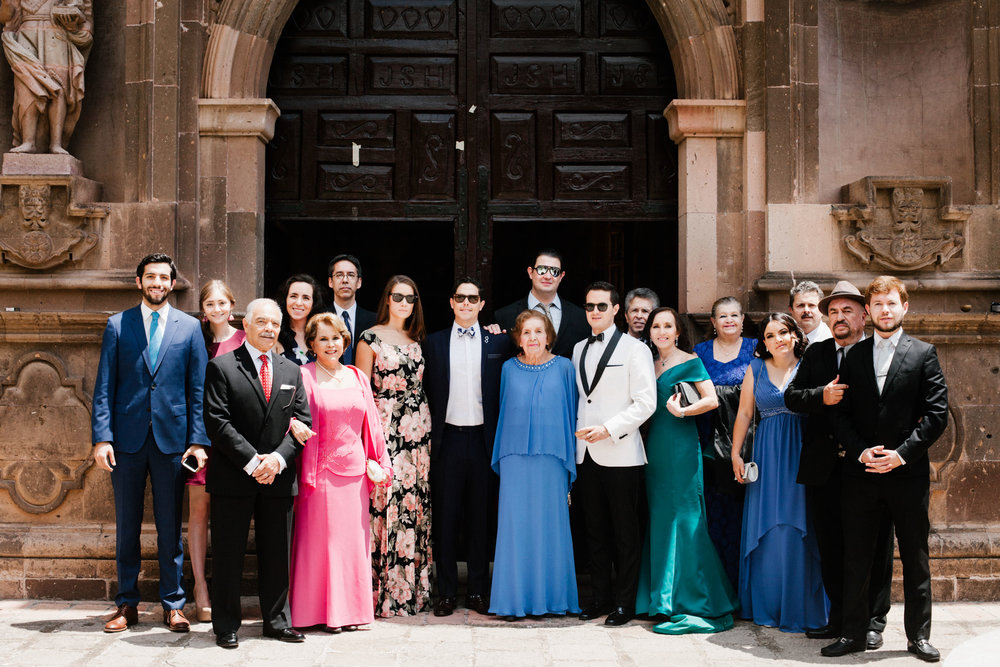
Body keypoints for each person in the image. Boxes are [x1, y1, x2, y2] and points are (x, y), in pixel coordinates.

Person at [823, 276, 948, 662]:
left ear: (904, 307)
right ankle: (853, 634)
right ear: (869, 312)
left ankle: (918, 637)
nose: (885, 311)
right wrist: (860, 452)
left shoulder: (924, 353)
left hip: (906, 475)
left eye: (891, 304)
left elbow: (936, 415)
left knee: (915, 556)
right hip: (861, 476)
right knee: (857, 555)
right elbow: (840, 415)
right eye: (877, 305)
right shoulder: (854, 356)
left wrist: (901, 454)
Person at [91, 253, 208, 634]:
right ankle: (126, 604)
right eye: (150, 277)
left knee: (170, 527)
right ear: (139, 282)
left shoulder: (190, 328)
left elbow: (197, 390)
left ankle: (173, 604)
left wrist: (197, 441)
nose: (157, 283)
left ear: (173, 283)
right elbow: (104, 386)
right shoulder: (117, 325)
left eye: (163, 277)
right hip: (125, 441)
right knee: (126, 525)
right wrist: (102, 438)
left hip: (172, 442)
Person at [784, 281, 894, 649]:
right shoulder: (816, 354)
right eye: (833, 311)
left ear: (864, 315)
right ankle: (840, 618)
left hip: (866, 467)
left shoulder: (878, 353)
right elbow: (793, 397)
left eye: (847, 310)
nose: (839, 317)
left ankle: (874, 621)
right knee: (831, 545)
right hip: (824, 468)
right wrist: (822, 395)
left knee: (874, 547)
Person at [203, 298, 311, 649]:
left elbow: (302, 424)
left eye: (274, 324)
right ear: (245, 324)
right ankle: (226, 625)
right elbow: (217, 423)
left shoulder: (292, 371)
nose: (268, 329)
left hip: (278, 477)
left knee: (277, 554)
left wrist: (277, 461)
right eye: (261, 321)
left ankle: (277, 622)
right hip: (234, 476)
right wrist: (254, 462)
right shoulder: (221, 367)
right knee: (228, 554)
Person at [635, 307, 738, 634]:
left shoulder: (690, 360)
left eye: (667, 326)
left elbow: (711, 401)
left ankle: (697, 600)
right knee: (661, 518)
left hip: (681, 446)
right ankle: (661, 599)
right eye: (656, 326)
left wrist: (683, 411)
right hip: (655, 450)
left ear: (678, 331)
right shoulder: (647, 364)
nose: (661, 331)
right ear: (649, 332)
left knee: (686, 519)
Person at [289, 313, 392, 632]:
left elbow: (371, 425)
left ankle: (349, 612)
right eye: (323, 339)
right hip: (317, 475)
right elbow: (288, 416)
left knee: (351, 544)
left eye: (335, 338)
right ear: (312, 344)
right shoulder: (303, 375)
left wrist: (378, 461)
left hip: (354, 474)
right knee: (319, 544)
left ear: (344, 340)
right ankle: (315, 613)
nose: (330, 344)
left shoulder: (357, 377)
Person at [730, 312, 827, 633]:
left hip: (803, 453)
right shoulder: (755, 368)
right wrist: (735, 454)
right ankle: (767, 603)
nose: (778, 340)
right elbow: (744, 413)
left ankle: (804, 605)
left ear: (795, 335)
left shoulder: (809, 364)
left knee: (802, 527)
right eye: (770, 336)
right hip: (768, 456)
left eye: (783, 332)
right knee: (770, 528)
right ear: (764, 343)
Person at [423, 277, 511, 617]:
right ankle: (445, 592)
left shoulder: (499, 342)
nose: (466, 303)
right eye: (460, 298)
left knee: (480, 518)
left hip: (483, 440)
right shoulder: (433, 342)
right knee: (445, 518)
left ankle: (477, 590)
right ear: (451, 302)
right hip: (447, 440)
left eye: (472, 298)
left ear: (481, 304)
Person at [574, 281, 656, 626]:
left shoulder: (635, 350)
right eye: (590, 306)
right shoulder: (578, 348)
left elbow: (646, 403)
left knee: (625, 533)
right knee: (594, 531)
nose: (595, 312)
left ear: (615, 310)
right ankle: (599, 598)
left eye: (602, 306)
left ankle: (624, 602)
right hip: (586, 454)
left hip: (621, 452)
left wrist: (609, 429)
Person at [489, 310, 580, 619]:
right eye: (526, 332)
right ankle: (512, 600)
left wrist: (571, 463)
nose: (532, 338)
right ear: (518, 337)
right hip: (515, 459)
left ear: (549, 335)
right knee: (515, 528)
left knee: (550, 527)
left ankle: (553, 598)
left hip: (552, 459)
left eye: (538, 332)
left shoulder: (565, 368)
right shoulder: (507, 369)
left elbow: (571, 413)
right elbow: (502, 413)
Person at [355, 275, 433, 616]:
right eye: (398, 296)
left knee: (413, 506)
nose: (404, 302)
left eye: (410, 298)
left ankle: (410, 592)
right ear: (387, 298)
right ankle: (379, 594)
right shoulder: (369, 338)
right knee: (384, 504)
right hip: (384, 429)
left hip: (418, 435)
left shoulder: (416, 339)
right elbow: (360, 391)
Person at [186, 280, 246, 623]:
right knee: (198, 514)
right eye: (211, 304)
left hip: (233, 443)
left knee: (227, 518)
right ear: (203, 310)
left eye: (222, 302)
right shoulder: (194, 340)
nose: (218, 309)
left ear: (232, 305)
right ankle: (199, 587)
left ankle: (226, 589)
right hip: (199, 441)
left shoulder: (244, 339)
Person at [693, 296, 755, 591]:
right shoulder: (700, 352)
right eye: (723, 316)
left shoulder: (757, 350)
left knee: (744, 517)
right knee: (713, 516)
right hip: (707, 445)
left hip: (749, 445)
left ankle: (743, 588)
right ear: (713, 322)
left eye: (735, 315)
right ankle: (717, 588)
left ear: (743, 319)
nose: (729, 320)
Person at [0, 0, 93, 155]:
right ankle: (28, 141)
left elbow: (83, 16)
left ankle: (56, 144)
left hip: (56, 33)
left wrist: (71, 20)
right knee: (27, 86)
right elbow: (7, 17)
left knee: (59, 85)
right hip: (26, 33)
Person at [493, 249, 589, 358]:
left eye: (554, 271)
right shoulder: (504, 316)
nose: (548, 276)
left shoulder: (581, 317)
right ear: (530, 272)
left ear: (561, 276)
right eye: (542, 269)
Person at [327, 254, 376, 365]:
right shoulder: (320, 319)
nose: (345, 280)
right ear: (330, 282)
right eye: (339, 275)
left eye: (351, 275)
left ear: (359, 282)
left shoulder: (374, 321)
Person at [276, 273, 325, 365]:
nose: (298, 303)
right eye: (293, 296)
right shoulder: (275, 334)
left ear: (313, 303)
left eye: (306, 298)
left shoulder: (321, 334)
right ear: (285, 299)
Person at [790, 281, 832, 345]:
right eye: (801, 305)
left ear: (822, 309)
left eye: (811, 305)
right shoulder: (783, 340)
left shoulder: (834, 341)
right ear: (791, 310)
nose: (806, 310)